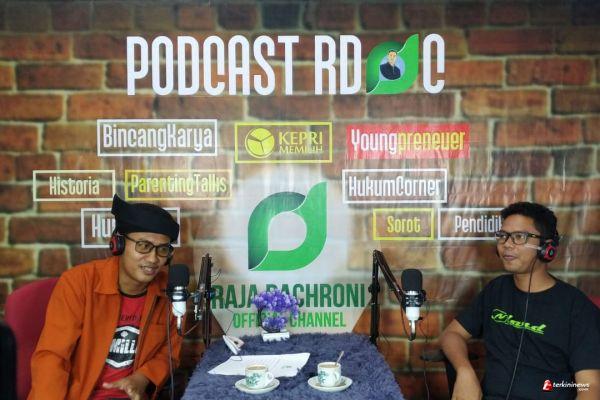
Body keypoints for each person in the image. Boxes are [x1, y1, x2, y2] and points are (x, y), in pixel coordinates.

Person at [29, 194, 183, 400]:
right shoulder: (78, 283)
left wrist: (142, 378)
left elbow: (169, 353)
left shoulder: (171, 291)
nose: (153, 259)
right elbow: (52, 357)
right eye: (144, 246)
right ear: (118, 243)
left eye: (162, 249)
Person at [440, 202, 600, 400]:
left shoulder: (577, 308)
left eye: (519, 237)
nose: (507, 244)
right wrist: (464, 371)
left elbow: (590, 387)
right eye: (503, 236)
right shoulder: (496, 290)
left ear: (546, 247)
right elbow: (452, 334)